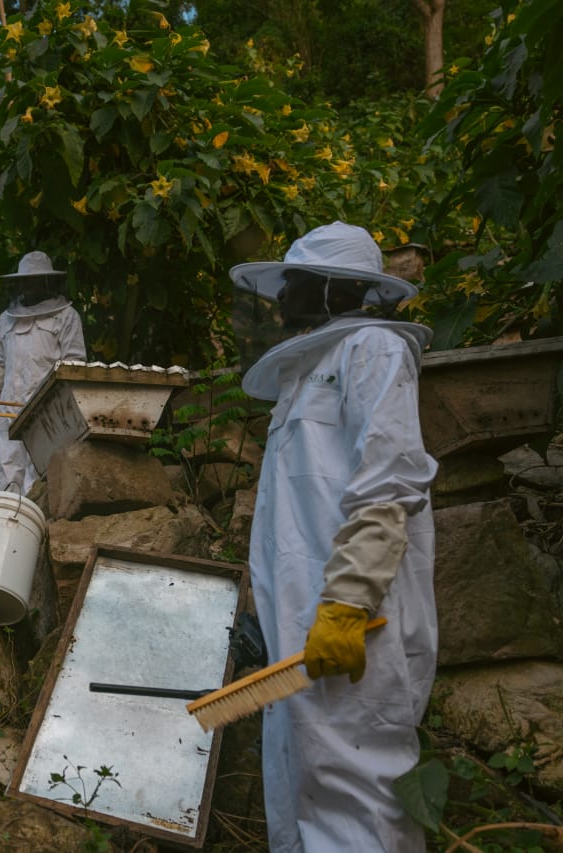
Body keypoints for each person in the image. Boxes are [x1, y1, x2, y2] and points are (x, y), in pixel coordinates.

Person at [229, 221, 438, 852]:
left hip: (357, 618)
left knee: (360, 789)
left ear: (333, 289)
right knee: (303, 784)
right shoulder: (301, 374)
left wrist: (349, 599)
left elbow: (389, 480)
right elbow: (288, 517)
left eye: (295, 282)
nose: (283, 296)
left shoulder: (374, 349)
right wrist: (267, 611)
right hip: (302, 619)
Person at [0, 251, 85, 494]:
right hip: (9, 410)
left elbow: (75, 366)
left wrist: (67, 409)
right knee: (8, 473)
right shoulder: (6, 320)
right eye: (26, 280)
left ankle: (44, 530)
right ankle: (10, 528)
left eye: (36, 279)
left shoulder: (66, 316)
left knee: (42, 476)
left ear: (48, 281)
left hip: (47, 411)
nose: (30, 285)